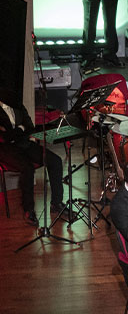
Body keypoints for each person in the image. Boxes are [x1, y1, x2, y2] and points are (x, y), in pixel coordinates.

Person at [0, 90, 64, 224]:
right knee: (27, 169)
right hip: (6, 150)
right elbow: (4, 138)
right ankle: (29, 210)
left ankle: (56, 203)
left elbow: (30, 127)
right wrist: (19, 130)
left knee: (55, 161)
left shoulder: (17, 105)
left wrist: (17, 131)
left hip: (24, 144)